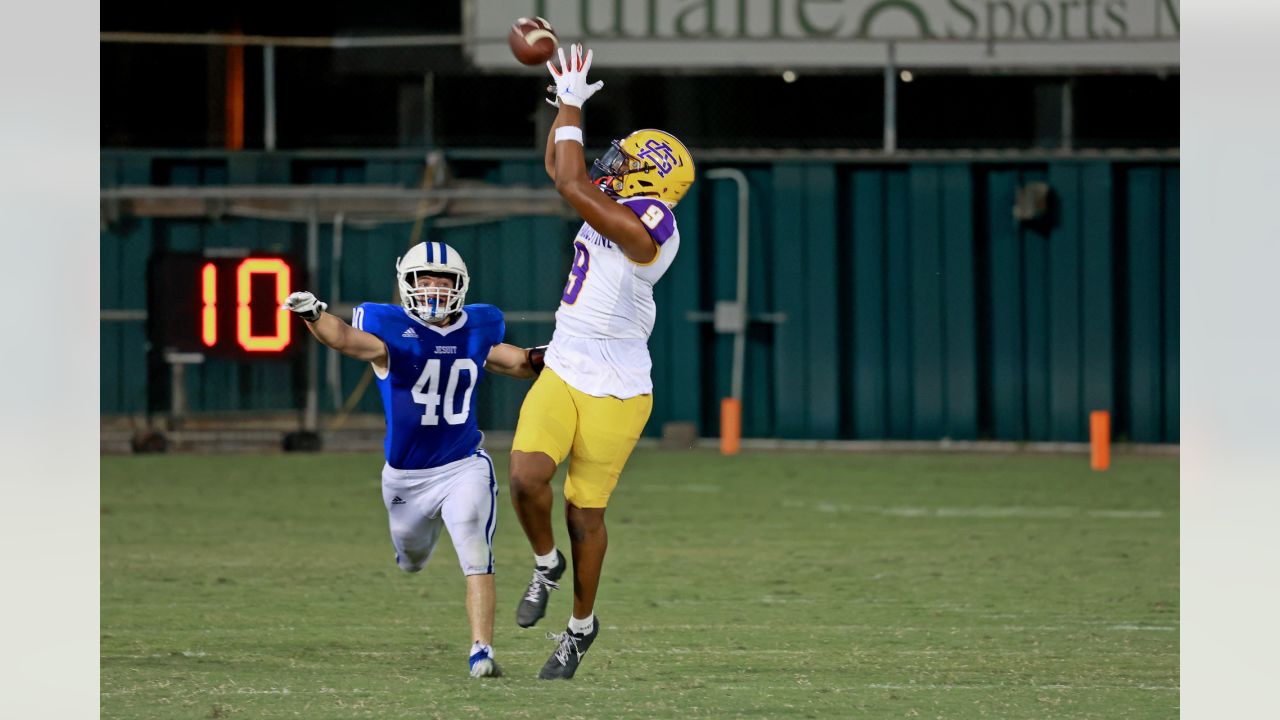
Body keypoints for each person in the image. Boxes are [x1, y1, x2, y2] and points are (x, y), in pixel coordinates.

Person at [507, 43, 696, 680]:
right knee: (527, 478)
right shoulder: (612, 197)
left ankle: (581, 627)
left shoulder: (654, 222)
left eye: (628, 160)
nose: (613, 162)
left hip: (617, 388)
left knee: (584, 514)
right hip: (564, 364)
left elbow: (568, 179)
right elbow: (561, 168)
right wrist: (567, 106)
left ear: (652, 180)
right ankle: (543, 564)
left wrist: (571, 101)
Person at [283, 241, 541, 679]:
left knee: (476, 550)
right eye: (425, 280)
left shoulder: (479, 326)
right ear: (407, 284)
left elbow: (517, 362)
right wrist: (312, 315)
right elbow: (344, 337)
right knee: (412, 557)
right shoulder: (389, 332)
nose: (434, 289)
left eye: (443, 281)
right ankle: (413, 553)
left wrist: (562, 355)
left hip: (464, 464)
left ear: (461, 286)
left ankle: (482, 650)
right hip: (406, 479)